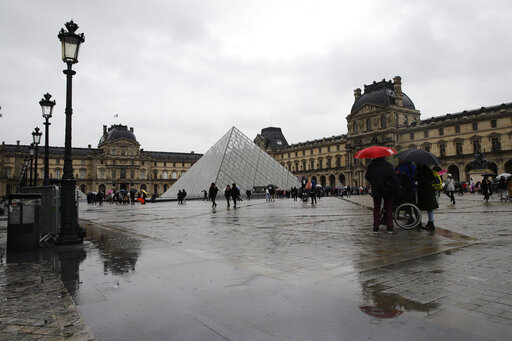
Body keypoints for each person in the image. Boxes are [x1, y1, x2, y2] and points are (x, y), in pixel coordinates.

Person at [365, 157, 396, 233]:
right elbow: (393, 177)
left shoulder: (371, 166)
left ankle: (376, 227)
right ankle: (390, 227)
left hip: (376, 189)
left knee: (376, 209)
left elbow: (367, 177)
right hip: (387, 189)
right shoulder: (389, 165)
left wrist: (373, 180)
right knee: (389, 208)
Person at [414, 164, 439, 229]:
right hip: (430, 190)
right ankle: (431, 222)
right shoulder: (429, 171)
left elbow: (416, 178)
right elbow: (432, 178)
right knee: (429, 207)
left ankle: (424, 222)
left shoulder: (420, 171)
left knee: (423, 207)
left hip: (424, 191)